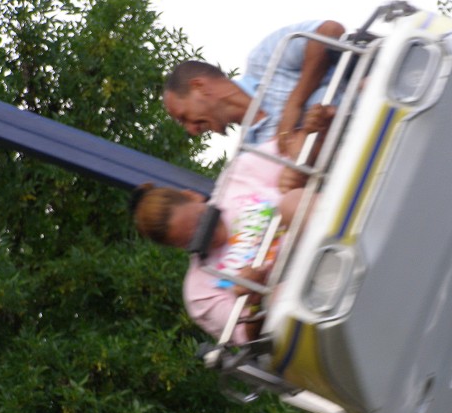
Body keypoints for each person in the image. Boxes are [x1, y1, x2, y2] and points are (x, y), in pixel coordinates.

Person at [131, 105, 334, 344]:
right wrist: (254, 299)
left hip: (319, 237)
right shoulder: (199, 290)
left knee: (291, 202)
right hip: (300, 292)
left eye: (198, 221)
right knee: (278, 300)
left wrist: (301, 162)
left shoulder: (238, 175)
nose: (203, 235)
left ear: (192, 196)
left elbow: (299, 142)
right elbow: (248, 340)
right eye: (189, 240)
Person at [163, 20, 344, 154]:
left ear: (199, 86)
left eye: (184, 117)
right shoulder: (251, 151)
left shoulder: (263, 61)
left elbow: (330, 30)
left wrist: (294, 103)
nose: (191, 130)